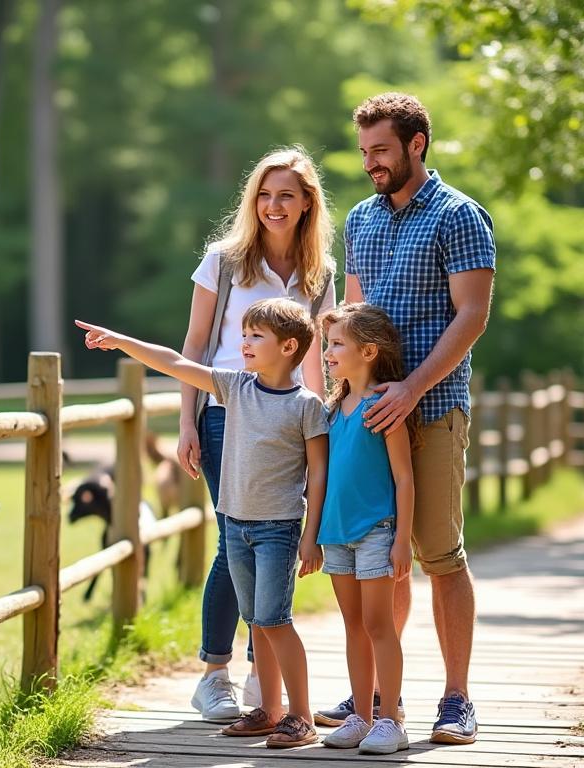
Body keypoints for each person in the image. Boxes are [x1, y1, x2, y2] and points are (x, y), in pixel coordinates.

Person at [313, 92, 495, 745]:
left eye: (381, 150)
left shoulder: (460, 216)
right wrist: (344, 396)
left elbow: (472, 316)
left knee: (439, 554)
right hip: (365, 419)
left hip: (434, 408)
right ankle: (381, 696)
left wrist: (413, 389)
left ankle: (457, 697)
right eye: (365, 152)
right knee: (376, 558)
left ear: (417, 144)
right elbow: (351, 324)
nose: (371, 163)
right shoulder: (360, 219)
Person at [76, 298, 327, 748]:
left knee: (275, 621)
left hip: (279, 529)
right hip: (235, 525)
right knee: (256, 621)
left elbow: (319, 475)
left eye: (255, 337)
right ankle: (269, 711)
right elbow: (175, 362)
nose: (243, 343)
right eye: (244, 334)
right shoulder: (234, 387)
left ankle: (300, 716)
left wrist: (312, 537)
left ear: (289, 347)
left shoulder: (307, 406)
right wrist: (121, 342)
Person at [176, 146, 334, 722]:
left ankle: (258, 674)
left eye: (286, 195)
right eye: (265, 195)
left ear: (306, 203)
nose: (273, 205)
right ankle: (216, 673)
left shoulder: (319, 274)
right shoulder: (222, 261)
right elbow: (194, 347)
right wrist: (187, 422)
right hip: (227, 416)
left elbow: (318, 361)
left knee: (275, 541)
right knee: (233, 537)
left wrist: (323, 424)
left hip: (289, 421)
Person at [315, 303, 416, 755]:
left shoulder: (383, 405)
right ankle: (361, 715)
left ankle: (391, 720)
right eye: (328, 343)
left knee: (379, 625)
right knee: (353, 625)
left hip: (376, 531)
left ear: (369, 351)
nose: (328, 352)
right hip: (335, 535)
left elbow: (404, 478)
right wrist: (312, 534)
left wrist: (401, 540)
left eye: (338, 344)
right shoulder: (333, 409)